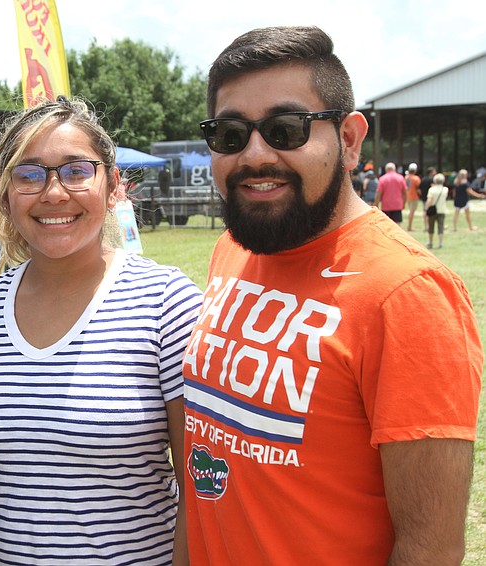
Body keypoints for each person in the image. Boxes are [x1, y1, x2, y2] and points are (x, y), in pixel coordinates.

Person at [191, 25, 482, 564]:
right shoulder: (234, 247)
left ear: (348, 140)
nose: (255, 154)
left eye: (285, 129)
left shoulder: (410, 294)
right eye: (229, 134)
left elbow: (430, 549)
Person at [0, 96, 202, 565]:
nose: (54, 193)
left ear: (113, 186)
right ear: (6, 196)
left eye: (76, 171)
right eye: (29, 174)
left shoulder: (166, 303)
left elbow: (199, 489)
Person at [425, 173, 449, 249]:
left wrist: (426, 208)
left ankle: (430, 242)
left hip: (432, 210)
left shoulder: (431, 190)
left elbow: (429, 200)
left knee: (431, 226)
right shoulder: (445, 189)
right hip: (442, 210)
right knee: (441, 227)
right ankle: (441, 243)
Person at [419, 165, 437, 232]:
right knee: (433, 212)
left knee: (425, 212)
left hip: (424, 198)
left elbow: (419, 190)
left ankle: (426, 226)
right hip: (431, 198)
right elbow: (434, 188)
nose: (435, 172)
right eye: (434, 171)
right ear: (431, 172)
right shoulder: (432, 180)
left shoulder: (423, 179)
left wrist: (422, 195)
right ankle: (431, 226)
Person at [404, 162, 421, 231]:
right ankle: (409, 226)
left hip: (408, 196)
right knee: (412, 212)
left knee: (410, 211)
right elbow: (418, 188)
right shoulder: (416, 178)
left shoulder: (406, 177)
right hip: (414, 196)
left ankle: (409, 226)